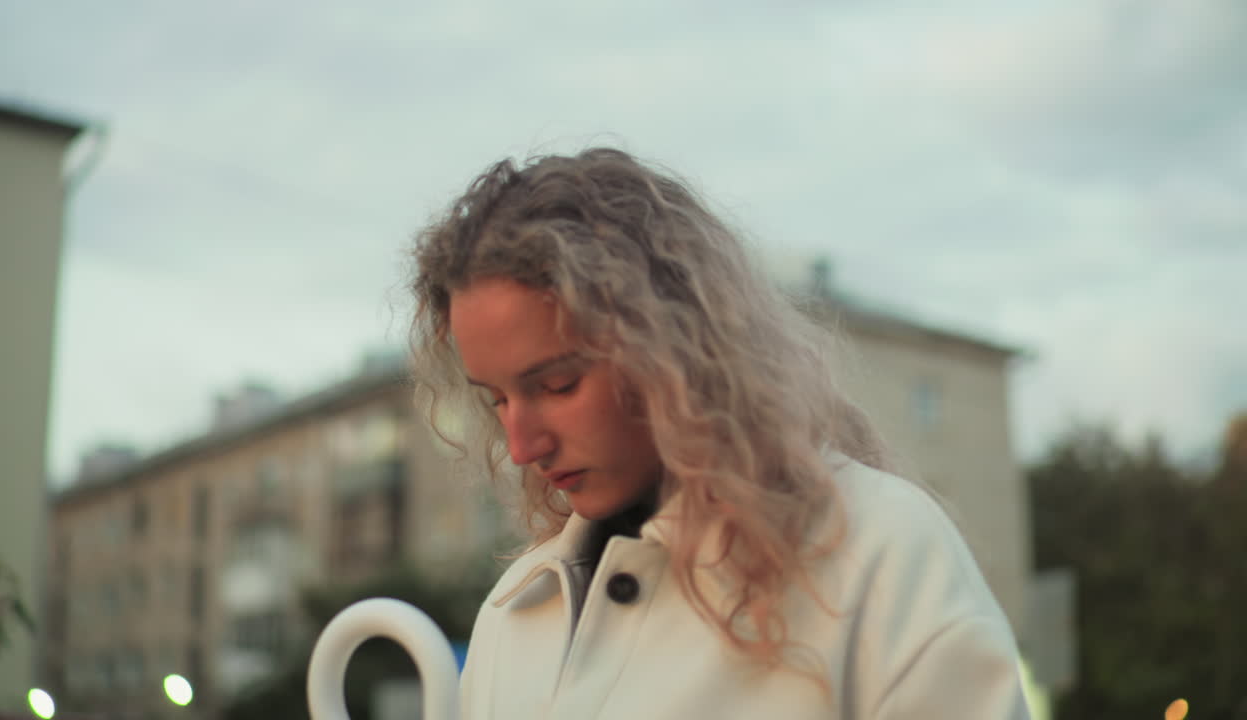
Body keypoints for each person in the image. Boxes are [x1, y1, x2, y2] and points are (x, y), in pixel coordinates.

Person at [408, 147, 1031, 719]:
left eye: (558, 385)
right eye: (496, 401)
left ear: (671, 345)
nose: (522, 448)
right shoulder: (514, 613)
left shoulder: (879, 554)